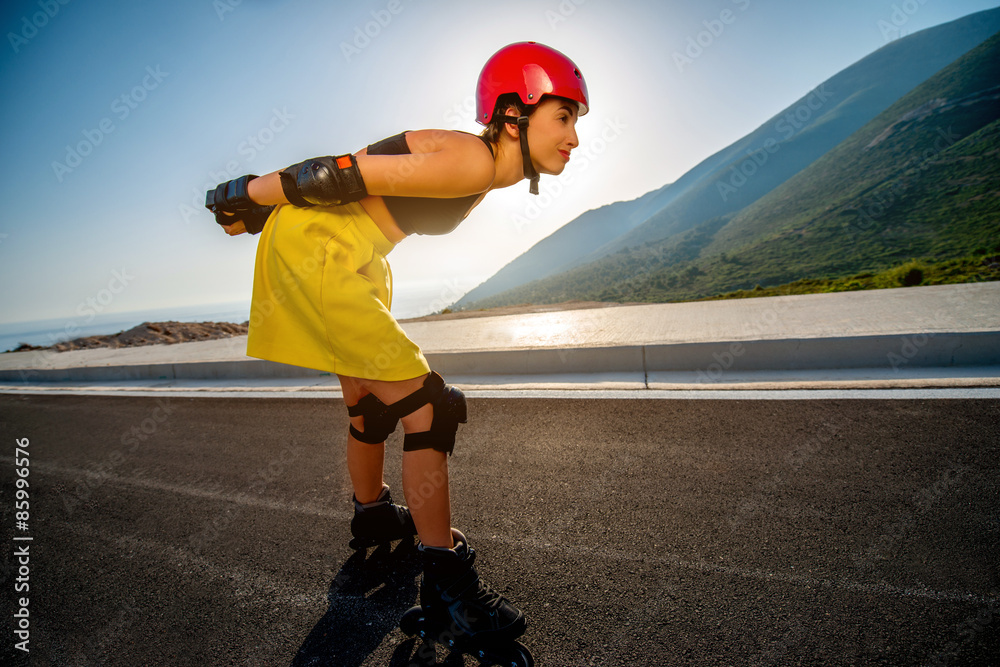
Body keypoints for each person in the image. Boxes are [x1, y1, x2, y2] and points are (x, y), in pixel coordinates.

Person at [205, 41, 588, 646]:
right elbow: (332, 175)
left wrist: (257, 209)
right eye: (563, 118)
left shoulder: (470, 158)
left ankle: (376, 515)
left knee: (369, 404)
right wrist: (249, 194)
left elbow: (344, 173)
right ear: (516, 112)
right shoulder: (472, 161)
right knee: (432, 409)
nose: (573, 137)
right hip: (325, 252)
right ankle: (452, 592)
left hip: (343, 252)